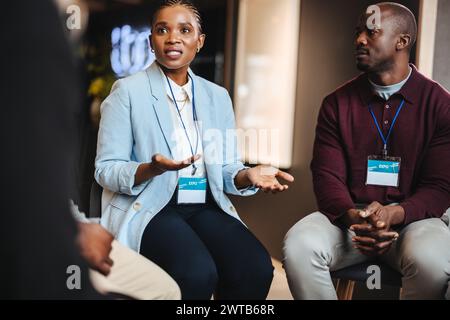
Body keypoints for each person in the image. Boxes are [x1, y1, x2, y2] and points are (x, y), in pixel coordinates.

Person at [95, 0, 294, 300]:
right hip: (152, 206)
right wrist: (152, 168)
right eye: (162, 30)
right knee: (197, 272)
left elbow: (227, 169)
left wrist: (247, 175)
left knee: (255, 267)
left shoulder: (217, 97)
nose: (173, 38)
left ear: (199, 41)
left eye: (185, 30)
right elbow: (105, 169)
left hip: (203, 203)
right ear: (151, 42)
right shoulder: (127, 92)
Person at [283, 2, 450, 300]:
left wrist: (394, 213)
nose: (359, 39)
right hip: (349, 220)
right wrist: (354, 217)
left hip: (414, 221)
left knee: (433, 261)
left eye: (371, 32)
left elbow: (439, 187)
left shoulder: (440, 104)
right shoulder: (336, 103)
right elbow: (326, 177)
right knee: (299, 245)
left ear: (402, 41)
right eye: (358, 32)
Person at [71, 202, 181, 300]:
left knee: (168, 291)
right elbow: (109, 179)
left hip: (74, 224)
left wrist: (81, 225)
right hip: (61, 239)